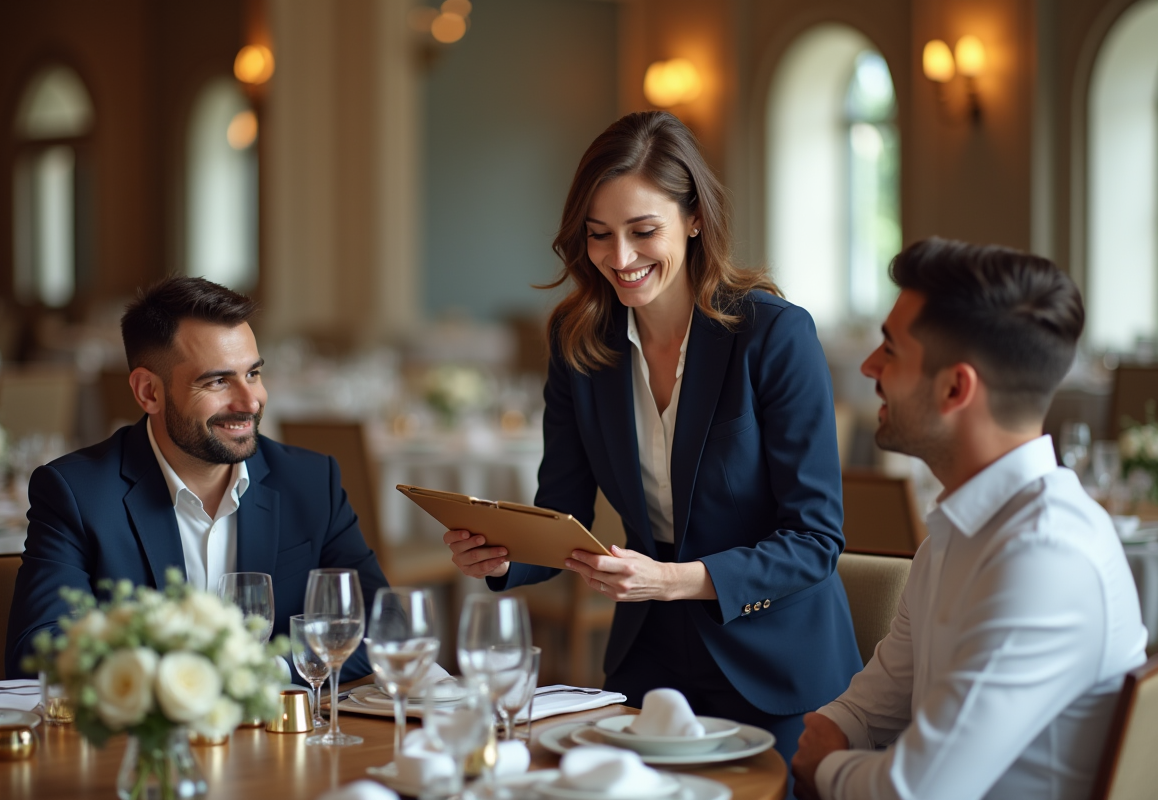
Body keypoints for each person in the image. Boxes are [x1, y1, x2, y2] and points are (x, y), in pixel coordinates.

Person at [444, 111, 862, 775]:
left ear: (694, 218)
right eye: (599, 235)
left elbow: (814, 541)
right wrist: (501, 559)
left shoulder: (773, 336)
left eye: (643, 232)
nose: (620, 258)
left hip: (775, 663)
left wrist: (672, 580)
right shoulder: (579, 343)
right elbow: (562, 509)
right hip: (649, 661)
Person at [790, 238, 1148, 800]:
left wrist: (825, 767)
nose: (868, 367)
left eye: (889, 350)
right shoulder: (952, 537)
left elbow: (917, 791)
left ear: (956, 387)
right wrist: (835, 730)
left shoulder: (1045, 557)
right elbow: (877, 701)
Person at [5, 276, 389, 681]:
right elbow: (41, 649)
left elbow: (382, 627)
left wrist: (263, 674)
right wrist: (184, 685)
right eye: (218, 381)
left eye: (253, 374)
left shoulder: (310, 482)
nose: (250, 401)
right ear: (148, 392)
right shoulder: (77, 494)